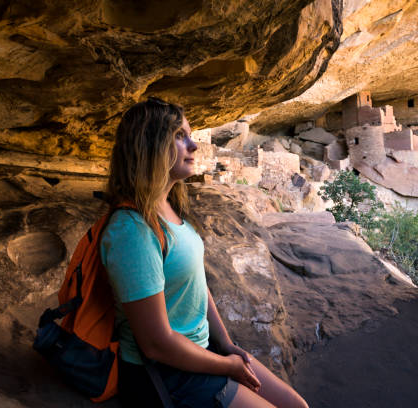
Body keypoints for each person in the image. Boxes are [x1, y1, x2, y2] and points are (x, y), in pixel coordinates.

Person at [100, 97, 309, 408]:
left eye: (190, 135)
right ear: (150, 146)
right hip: (166, 374)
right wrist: (227, 366)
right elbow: (156, 344)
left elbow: (196, 285)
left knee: (297, 406)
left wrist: (225, 343)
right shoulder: (131, 229)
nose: (193, 146)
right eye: (179, 136)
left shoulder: (170, 208)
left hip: (200, 353)